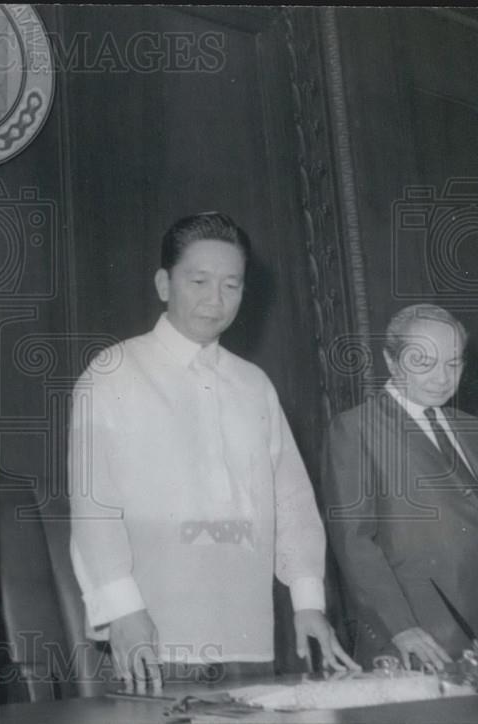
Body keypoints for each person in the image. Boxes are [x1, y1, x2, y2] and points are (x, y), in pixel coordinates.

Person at [68, 212, 357, 692]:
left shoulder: (253, 383)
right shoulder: (113, 372)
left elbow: (293, 500)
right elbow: (93, 506)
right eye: (199, 281)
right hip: (154, 640)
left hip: (250, 637)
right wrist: (121, 610)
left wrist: (308, 601)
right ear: (164, 284)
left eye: (231, 285)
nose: (215, 299)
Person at [322, 304, 478, 670]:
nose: (442, 377)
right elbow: (353, 540)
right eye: (424, 362)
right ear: (391, 362)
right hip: (417, 639)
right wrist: (400, 626)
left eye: (453, 363)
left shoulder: (471, 427)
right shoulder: (355, 429)